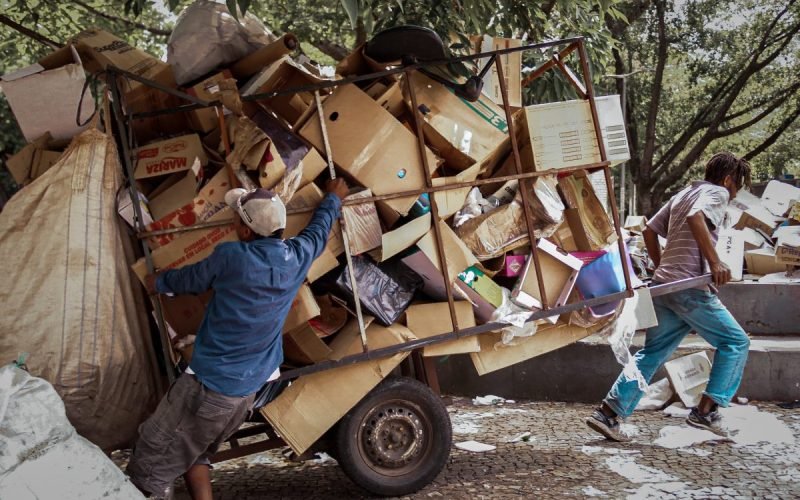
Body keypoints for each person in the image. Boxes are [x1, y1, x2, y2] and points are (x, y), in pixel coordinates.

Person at [127, 178, 348, 499]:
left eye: (236, 218)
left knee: (150, 462)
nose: (232, 221)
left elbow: (190, 279)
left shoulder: (232, 257)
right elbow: (318, 230)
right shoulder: (296, 256)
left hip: (208, 388)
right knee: (195, 450)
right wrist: (332, 199)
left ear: (245, 231)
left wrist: (157, 282)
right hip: (246, 394)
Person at [586, 152, 752, 442]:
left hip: (665, 287)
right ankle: (706, 412)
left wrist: (662, 265)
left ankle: (608, 414)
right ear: (727, 180)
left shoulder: (685, 193)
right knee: (736, 342)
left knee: (652, 353)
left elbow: (649, 230)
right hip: (689, 288)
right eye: (736, 186)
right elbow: (695, 217)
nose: (734, 193)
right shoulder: (716, 192)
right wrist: (715, 262)